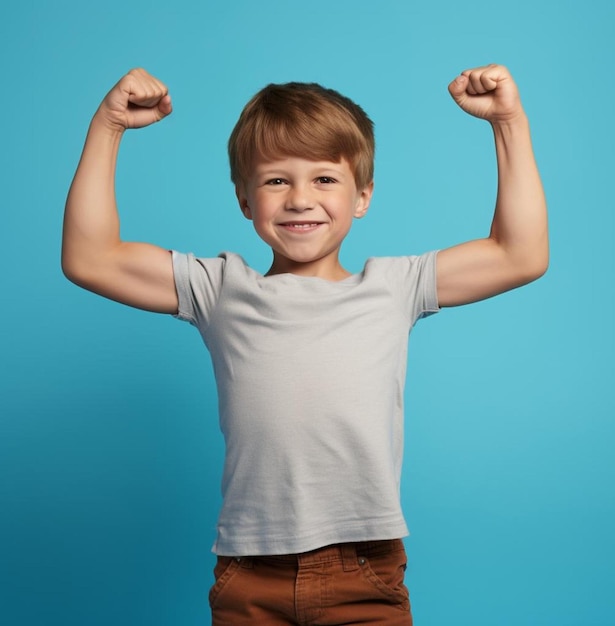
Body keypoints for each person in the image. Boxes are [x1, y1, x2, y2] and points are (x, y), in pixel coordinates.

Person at [62, 64, 548, 625]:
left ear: (362, 196)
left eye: (324, 179)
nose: (299, 198)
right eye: (275, 180)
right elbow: (89, 257)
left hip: (363, 568)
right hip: (251, 571)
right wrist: (108, 126)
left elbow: (521, 253)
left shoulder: (394, 287)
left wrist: (507, 122)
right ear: (245, 200)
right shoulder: (219, 288)